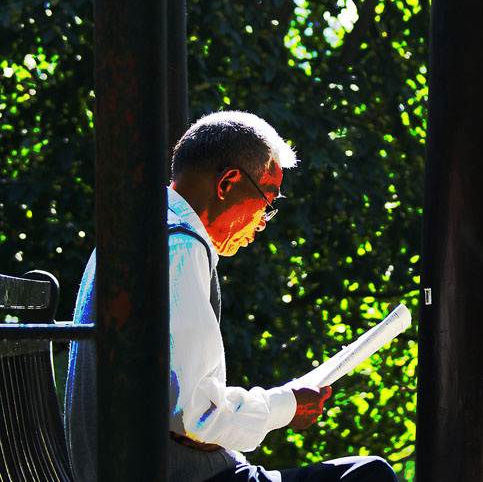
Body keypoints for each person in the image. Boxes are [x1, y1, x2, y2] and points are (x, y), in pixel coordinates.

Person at [65, 110, 398, 482]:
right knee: (370, 475)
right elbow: (193, 417)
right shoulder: (177, 248)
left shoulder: (138, 226)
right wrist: (287, 406)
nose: (262, 222)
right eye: (266, 202)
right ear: (227, 182)